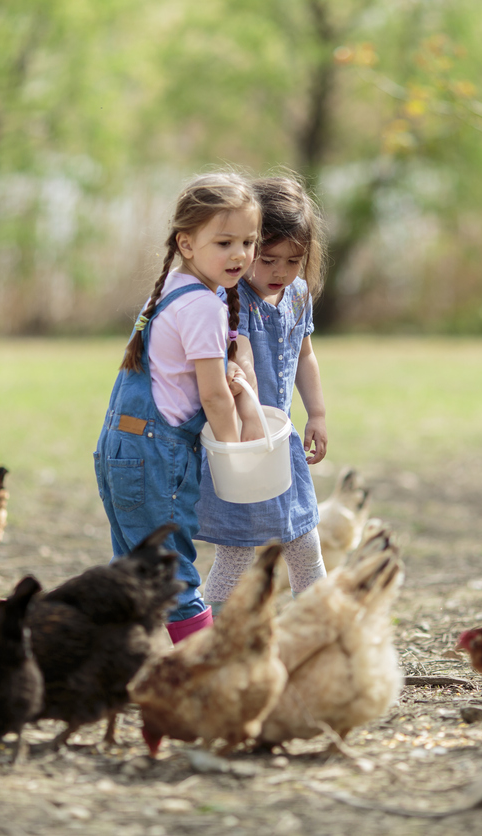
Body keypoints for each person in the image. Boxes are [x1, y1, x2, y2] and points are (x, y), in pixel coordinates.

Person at [94, 172, 264, 643]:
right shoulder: (205, 306)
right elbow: (211, 395)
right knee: (173, 577)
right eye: (224, 241)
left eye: (248, 241)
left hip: (118, 449)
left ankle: (116, 666)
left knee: (132, 573)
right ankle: (203, 678)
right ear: (186, 243)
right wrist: (234, 453)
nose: (239, 255)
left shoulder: (171, 286)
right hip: (155, 459)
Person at [196, 174, 329, 611]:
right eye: (268, 259)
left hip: (282, 442)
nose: (280, 272)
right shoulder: (229, 303)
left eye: (294, 261)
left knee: (305, 546)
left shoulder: (298, 296)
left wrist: (317, 413)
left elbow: (305, 355)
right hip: (243, 447)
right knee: (236, 556)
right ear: (249, 246)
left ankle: (321, 636)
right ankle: (200, 643)